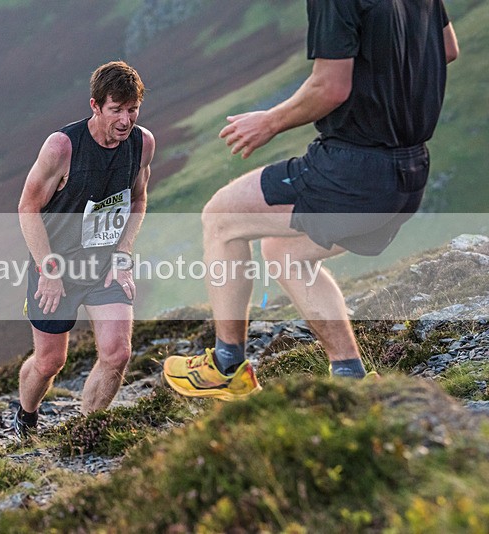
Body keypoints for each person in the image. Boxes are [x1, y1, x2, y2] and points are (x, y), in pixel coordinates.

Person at [164, 0, 459, 400]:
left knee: (220, 217)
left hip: (353, 169)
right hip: (409, 170)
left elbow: (330, 86)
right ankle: (350, 377)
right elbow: (446, 49)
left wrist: (268, 122)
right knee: (284, 252)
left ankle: (226, 366)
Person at [15, 61, 155, 436]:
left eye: (132, 109)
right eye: (116, 110)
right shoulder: (62, 147)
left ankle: (86, 430)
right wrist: (48, 270)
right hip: (56, 267)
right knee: (49, 363)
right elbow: (27, 208)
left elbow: (138, 200)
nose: (125, 121)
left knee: (118, 353)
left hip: (104, 266)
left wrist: (124, 254)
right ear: (95, 106)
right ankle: (26, 416)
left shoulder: (142, 143)